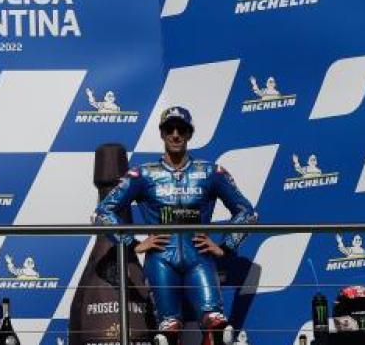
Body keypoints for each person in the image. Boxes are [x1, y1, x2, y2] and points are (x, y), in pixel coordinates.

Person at [93, 107, 257, 345]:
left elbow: (247, 213)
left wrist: (226, 247)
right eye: (170, 129)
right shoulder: (143, 174)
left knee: (218, 327)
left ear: (190, 133)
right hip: (161, 259)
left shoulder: (211, 172)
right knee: (167, 332)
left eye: (182, 129)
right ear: (162, 133)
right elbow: (102, 212)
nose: (176, 134)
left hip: (199, 257)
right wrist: (132, 243)